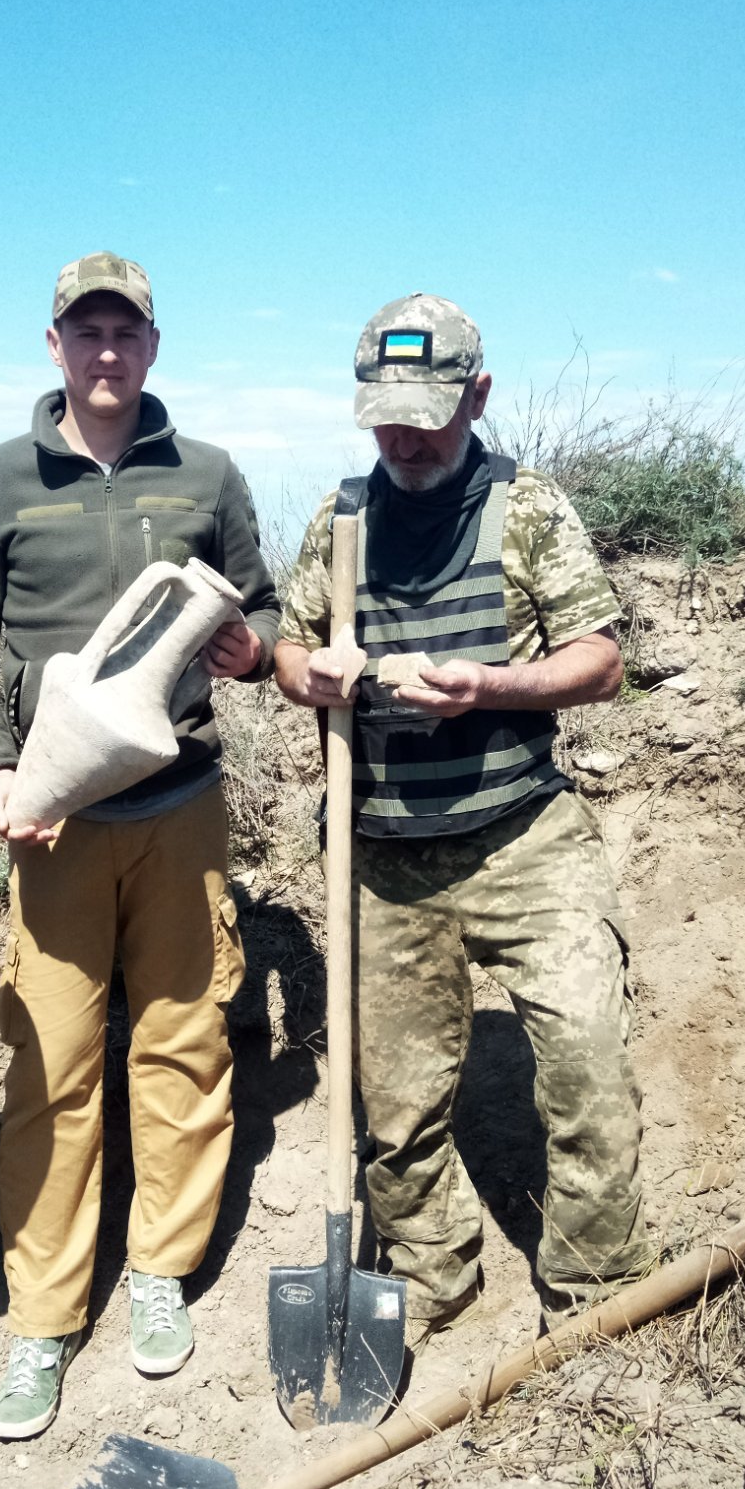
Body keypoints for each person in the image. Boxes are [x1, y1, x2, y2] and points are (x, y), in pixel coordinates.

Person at [0, 252, 281, 1438]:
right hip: (57, 820)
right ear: (55, 344)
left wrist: (253, 651)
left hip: (181, 808)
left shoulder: (210, 473)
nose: (107, 352)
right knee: (50, 1062)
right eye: (87, 332)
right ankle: (43, 1314)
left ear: (153, 341)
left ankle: (159, 1269)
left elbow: (264, 604)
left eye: (126, 330)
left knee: (183, 1048)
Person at [274, 296, 652, 1335]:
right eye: (384, 414)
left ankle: (598, 1287)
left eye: (427, 412)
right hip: (382, 852)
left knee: (586, 1067)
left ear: (477, 395)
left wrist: (486, 686)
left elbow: (601, 661)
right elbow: (287, 651)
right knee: (394, 1112)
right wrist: (320, 676)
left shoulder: (527, 511)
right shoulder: (340, 518)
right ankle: (433, 1274)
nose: (403, 435)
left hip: (525, 840)